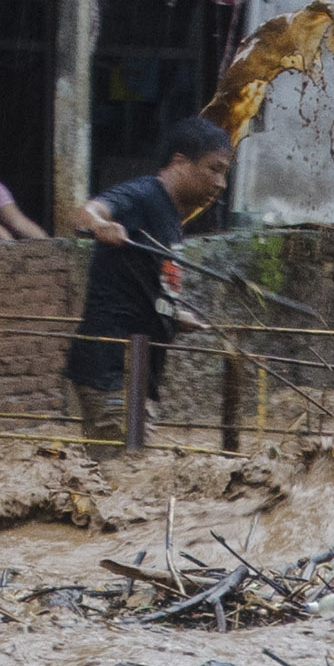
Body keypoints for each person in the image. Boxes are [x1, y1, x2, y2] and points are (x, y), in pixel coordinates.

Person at [67, 116, 233, 446]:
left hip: (140, 373)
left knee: (131, 471)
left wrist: (173, 314)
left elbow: (147, 283)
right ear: (180, 162)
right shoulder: (144, 194)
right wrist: (102, 225)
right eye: (214, 169)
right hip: (111, 367)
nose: (221, 184)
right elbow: (85, 213)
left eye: (224, 174)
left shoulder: (172, 217)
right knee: (122, 472)